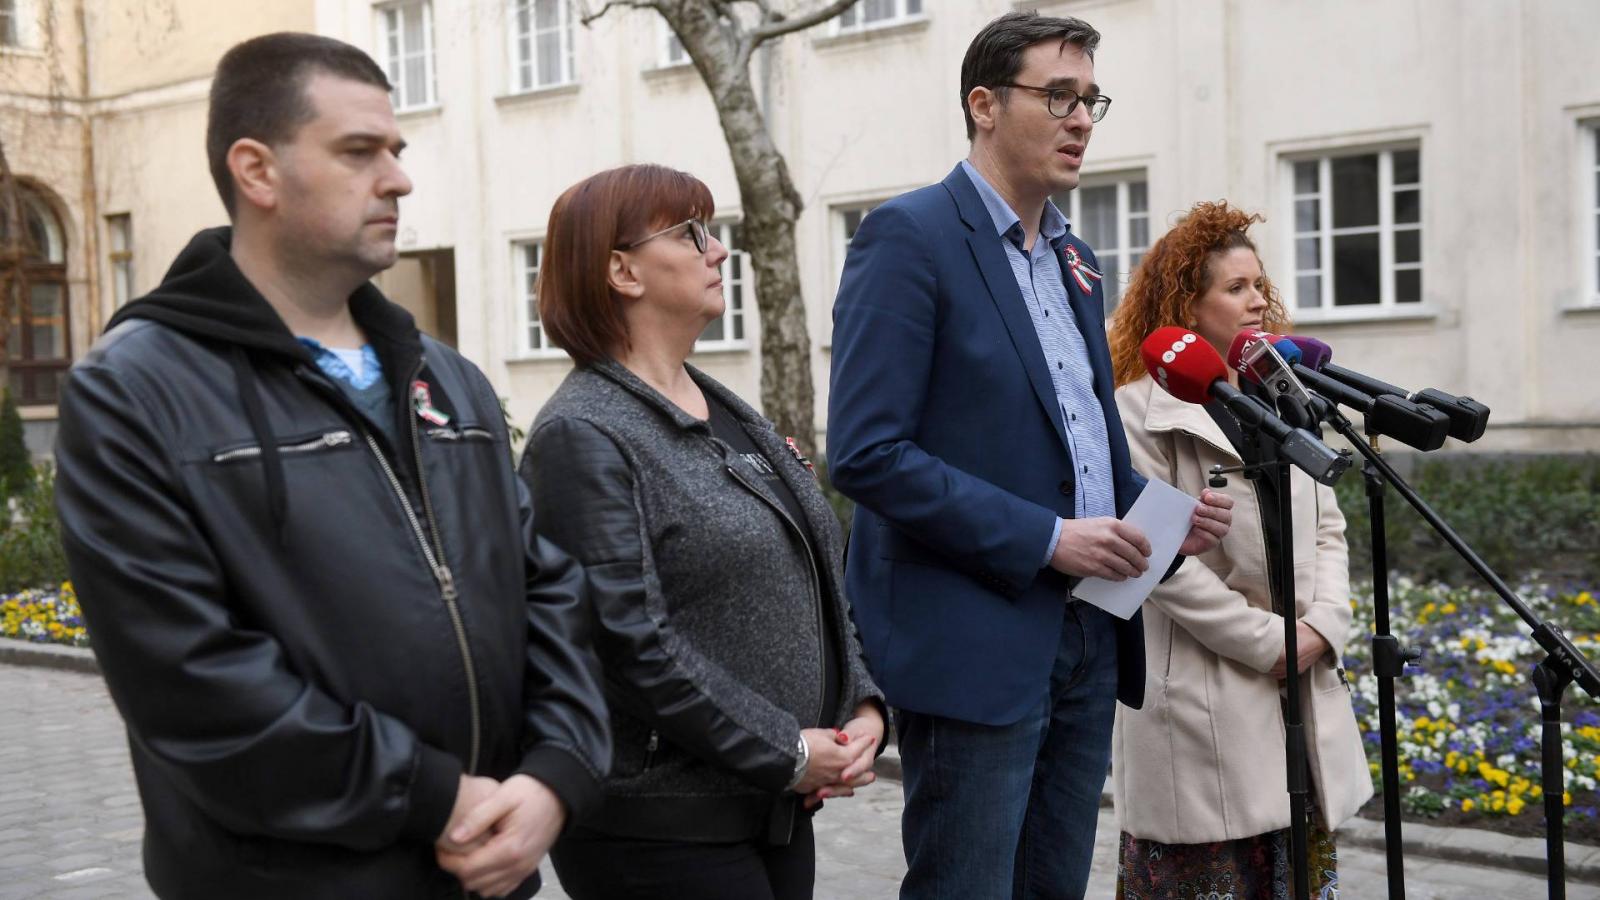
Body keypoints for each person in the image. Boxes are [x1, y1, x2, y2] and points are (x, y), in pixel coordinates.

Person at [51, 33, 610, 900]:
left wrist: (555, 776)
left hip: (488, 871)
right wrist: (433, 797)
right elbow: (188, 680)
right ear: (257, 171)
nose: (399, 179)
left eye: (397, 150)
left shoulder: (445, 378)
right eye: (359, 152)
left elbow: (547, 590)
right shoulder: (133, 391)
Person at [826, 11, 1233, 900]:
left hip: (1087, 631)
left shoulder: (1074, 257)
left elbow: (1078, 443)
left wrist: (1162, 521)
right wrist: (1047, 538)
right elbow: (865, 452)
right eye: (1058, 96)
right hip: (973, 636)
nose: (1081, 119)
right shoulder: (909, 237)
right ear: (984, 105)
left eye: (1091, 100)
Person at [518, 163, 886, 900]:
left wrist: (863, 705)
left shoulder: (725, 410)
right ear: (623, 271)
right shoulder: (582, 434)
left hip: (772, 805)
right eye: (690, 233)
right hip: (661, 826)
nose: (718, 250)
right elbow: (629, 644)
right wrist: (786, 749)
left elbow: (814, 571)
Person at [1106, 201, 1374, 898]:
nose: (1259, 300)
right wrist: (1271, 644)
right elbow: (1157, 563)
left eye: (1259, 284)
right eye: (1236, 287)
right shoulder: (1136, 414)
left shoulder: (1283, 397)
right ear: (1186, 307)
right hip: (1203, 702)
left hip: (1300, 688)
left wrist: (1324, 627)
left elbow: (1329, 524)